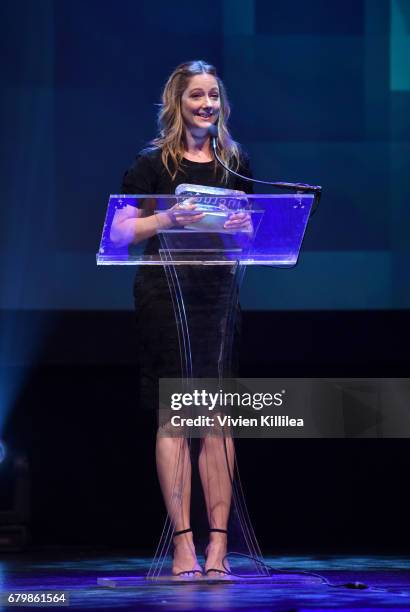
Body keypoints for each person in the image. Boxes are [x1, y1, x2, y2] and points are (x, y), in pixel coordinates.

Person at [112, 60, 253, 577]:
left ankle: (219, 548)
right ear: (177, 103)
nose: (207, 105)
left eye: (213, 96)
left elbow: (252, 236)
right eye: (197, 95)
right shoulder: (152, 165)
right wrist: (169, 216)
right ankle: (184, 545)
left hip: (217, 298)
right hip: (165, 298)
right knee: (177, 419)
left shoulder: (233, 161)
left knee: (215, 421)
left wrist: (244, 224)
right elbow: (120, 233)